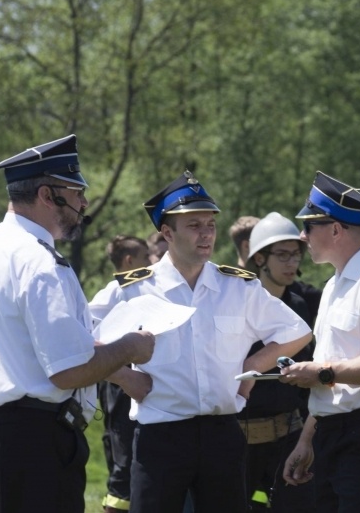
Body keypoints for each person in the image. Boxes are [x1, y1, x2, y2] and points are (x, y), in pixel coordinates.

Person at [89, 170, 313, 513]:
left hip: (221, 434)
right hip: (160, 437)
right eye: (194, 226)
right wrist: (122, 376)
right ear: (167, 232)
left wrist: (251, 368)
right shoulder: (133, 288)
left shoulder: (237, 287)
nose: (206, 234)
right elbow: (78, 337)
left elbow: (297, 332)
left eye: (210, 225)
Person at [0, 134, 155, 513]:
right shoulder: (41, 263)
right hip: (32, 443)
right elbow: (69, 370)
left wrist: (122, 375)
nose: (84, 202)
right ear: (48, 195)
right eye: (76, 191)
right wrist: (131, 346)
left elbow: (35, 347)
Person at [280, 171, 360, 512]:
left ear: (335, 229)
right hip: (330, 431)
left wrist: (322, 373)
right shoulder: (334, 287)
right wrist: (306, 440)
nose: (301, 236)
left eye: (308, 227)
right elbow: (329, 372)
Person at [241, 212, 319, 512]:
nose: (291, 263)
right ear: (259, 259)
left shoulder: (300, 305)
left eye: (296, 255)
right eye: (282, 255)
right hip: (241, 439)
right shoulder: (238, 302)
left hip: (289, 435)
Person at [100, 234, 152, 513]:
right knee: (123, 460)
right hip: (120, 386)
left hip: (132, 383)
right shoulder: (116, 291)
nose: (151, 263)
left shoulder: (145, 290)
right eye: (146, 258)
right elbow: (87, 335)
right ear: (130, 261)